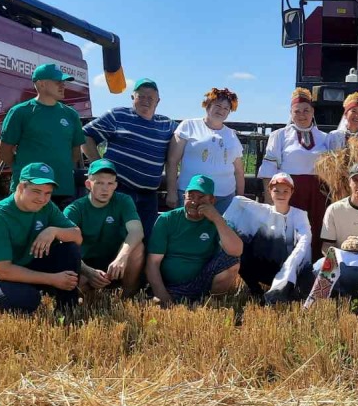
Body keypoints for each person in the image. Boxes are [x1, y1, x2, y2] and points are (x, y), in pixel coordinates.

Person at [0, 162, 83, 313]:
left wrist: (53, 231)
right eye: (36, 191)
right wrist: (53, 279)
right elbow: (4, 271)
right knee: (28, 298)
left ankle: (67, 309)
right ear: (20, 187)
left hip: (25, 265)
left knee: (69, 249)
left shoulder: (47, 207)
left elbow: (77, 236)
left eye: (48, 193)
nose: (42, 198)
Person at [82, 78, 175, 239]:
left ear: (158, 101)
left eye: (150, 97)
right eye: (141, 96)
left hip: (149, 195)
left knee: (147, 239)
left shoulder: (167, 125)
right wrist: (100, 166)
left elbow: (189, 139)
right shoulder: (118, 115)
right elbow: (85, 135)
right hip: (119, 190)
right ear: (133, 97)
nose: (146, 100)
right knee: (115, 237)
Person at [146, 174, 243, 305]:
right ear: (184, 196)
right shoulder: (167, 219)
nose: (194, 202)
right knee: (157, 303)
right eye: (190, 197)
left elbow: (236, 251)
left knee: (232, 260)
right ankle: (176, 300)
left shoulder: (218, 221)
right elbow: (153, 263)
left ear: (212, 200)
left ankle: (211, 303)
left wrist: (217, 219)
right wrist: (163, 295)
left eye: (201, 197)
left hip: (202, 282)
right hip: (170, 285)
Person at [0, 64, 86, 207]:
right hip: (28, 190)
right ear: (41, 84)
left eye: (63, 82)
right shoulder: (20, 112)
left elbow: (75, 153)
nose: (63, 85)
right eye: (58, 82)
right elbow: (4, 152)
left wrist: (60, 169)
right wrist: (24, 169)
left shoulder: (71, 115)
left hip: (62, 189)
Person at [258, 87, 329, 259]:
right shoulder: (279, 136)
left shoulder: (325, 137)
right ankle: (287, 267)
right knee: (289, 230)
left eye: (306, 110)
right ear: (291, 113)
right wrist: (270, 201)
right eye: (297, 111)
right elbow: (268, 170)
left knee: (315, 229)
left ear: (313, 112)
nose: (302, 115)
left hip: (318, 194)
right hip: (289, 192)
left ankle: (312, 267)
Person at [224, 172, 314, 303]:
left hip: (293, 270)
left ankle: (284, 291)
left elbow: (304, 243)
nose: (281, 195)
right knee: (240, 251)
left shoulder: (300, 215)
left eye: (285, 191)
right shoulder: (263, 210)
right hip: (268, 267)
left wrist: (286, 272)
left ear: (292, 192)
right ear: (270, 191)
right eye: (276, 191)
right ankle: (255, 290)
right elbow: (238, 201)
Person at [64, 159, 145, 298]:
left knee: (138, 248)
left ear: (115, 185)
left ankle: (128, 296)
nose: (105, 189)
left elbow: (137, 231)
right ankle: (89, 295)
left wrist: (121, 258)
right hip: (86, 263)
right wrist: (88, 271)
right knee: (77, 287)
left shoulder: (124, 201)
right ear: (88, 184)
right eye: (99, 183)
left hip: (116, 259)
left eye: (110, 183)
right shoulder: (74, 209)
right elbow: (66, 247)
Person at [165, 87, 244, 215]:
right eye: (218, 106)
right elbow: (172, 161)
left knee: (221, 228)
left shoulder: (232, 135)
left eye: (226, 108)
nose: (221, 110)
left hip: (224, 198)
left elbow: (239, 171)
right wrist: (171, 192)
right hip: (192, 195)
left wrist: (240, 199)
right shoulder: (188, 126)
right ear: (207, 105)